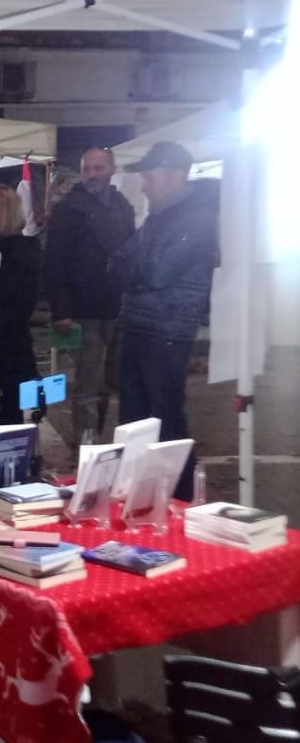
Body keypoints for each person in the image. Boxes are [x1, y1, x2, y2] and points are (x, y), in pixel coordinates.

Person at [111, 142, 218, 501]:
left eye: (148, 175)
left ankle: (182, 498)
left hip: (167, 331)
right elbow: (116, 264)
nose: (142, 184)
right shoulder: (159, 216)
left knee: (166, 420)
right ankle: (140, 498)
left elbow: (156, 271)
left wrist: (135, 266)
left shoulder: (198, 219)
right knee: (134, 424)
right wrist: (136, 266)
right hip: (140, 326)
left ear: (174, 175)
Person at [43, 148, 137, 444]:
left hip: (117, 306)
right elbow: (54, 263)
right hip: (84, 309)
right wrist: (61, 310)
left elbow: (131, 251)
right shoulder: (67, 210)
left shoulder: (122, 205)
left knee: (109, 382)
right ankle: (86, 448)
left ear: (111, 171)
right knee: (87, 383)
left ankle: (96, 438)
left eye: (99, 168)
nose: (93, 175)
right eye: (87, 169)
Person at [0, 183, 42, 425]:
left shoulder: (21, 254)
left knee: (7, 432)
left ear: (6, 210)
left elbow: (16, 309)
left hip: (9, 357)